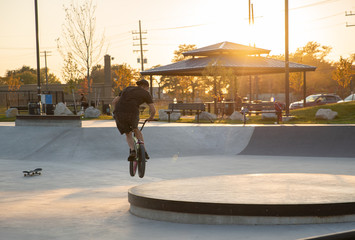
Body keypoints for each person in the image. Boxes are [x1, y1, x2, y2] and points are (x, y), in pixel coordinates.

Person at [113, 79, 156, 161]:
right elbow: (153, 110)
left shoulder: (127, 89)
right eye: (147, 88)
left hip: (119, 112)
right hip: (132, 111)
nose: (147, 90)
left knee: (128, 133)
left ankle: (133, 150)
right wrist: (151, 117)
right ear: (145, 86)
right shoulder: (146, 93)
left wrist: (115, 113)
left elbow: (114, 101)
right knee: (135, 129)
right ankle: (144, 151)